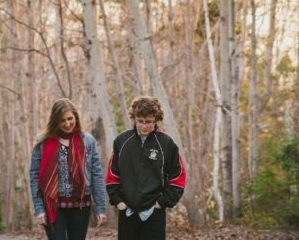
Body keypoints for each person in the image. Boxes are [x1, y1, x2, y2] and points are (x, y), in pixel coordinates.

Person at [106, 96, 186, 240]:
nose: (144, 126)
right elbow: (112, 176)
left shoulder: (167, 144)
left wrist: (161, 203)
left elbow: (178, 179)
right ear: (134, 118)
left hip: (154, 213)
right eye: (140, 121)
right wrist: (118, 202)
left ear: (156, 119)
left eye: (148, 122)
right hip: (127, 212)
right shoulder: (122, 141)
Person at [29, 98, 107, 240]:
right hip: (52, 205)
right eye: (62, 120)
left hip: (81, 206)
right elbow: (34, 177)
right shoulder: (42, 143)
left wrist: (101, 208)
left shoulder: (87, 141)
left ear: (76, 117)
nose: (67, 124)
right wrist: (39, 209)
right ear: (55, 121)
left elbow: (96, 175)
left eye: (70, 118)